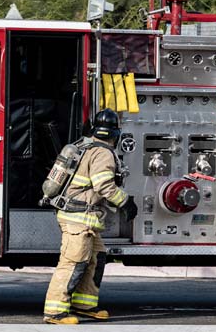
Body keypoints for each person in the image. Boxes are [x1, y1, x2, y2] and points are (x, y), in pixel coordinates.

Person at [42, 108, 138, 325]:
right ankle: (55, 311)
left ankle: (84, 305)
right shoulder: (103, 153)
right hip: (79, 218)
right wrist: (126, 202)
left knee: (96, 258)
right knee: (72, 262)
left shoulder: (81, 146)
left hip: (84, 217)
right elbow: (103, 185)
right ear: (116, 134)